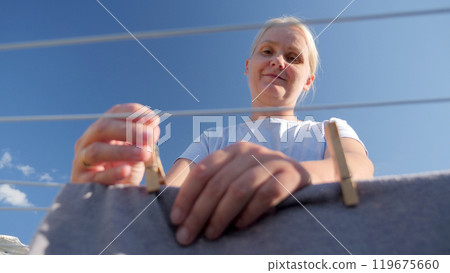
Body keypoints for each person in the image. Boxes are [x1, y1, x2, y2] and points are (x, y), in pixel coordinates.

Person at [71, 16, 374, 246]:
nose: (277, 61)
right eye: (267, 51)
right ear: (248, 66)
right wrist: (140, 167)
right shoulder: (212, 138)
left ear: (308, 80)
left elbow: (359, 169)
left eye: (293, 57)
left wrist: (299, 175)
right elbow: (165, 198)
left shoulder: (330, 129)